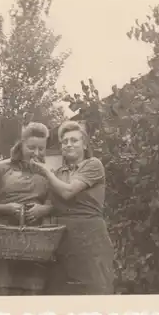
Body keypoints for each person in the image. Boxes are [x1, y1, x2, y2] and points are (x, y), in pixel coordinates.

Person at [29, 121, 115, 295]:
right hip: (63, 239)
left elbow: (68, 192)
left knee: (94, 292)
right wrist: (41, 209)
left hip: (90, 238)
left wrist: (46, 172)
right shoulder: (59, 173)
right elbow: (56, 204)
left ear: (84, 144)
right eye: (65, 141)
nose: (69, 144)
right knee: (62, 293)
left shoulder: (93, 164)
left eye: (74, 140)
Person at [0, 122, 53, 296]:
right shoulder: (1, 168)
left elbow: (55, 204)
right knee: (1, 293)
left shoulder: (49, 172)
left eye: (41, 148)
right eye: (31, 147)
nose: (36, 153)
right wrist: (5, 208)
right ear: (21, 144)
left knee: (32, 295)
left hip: (34, 241)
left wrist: (42, 210)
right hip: (2, 239)